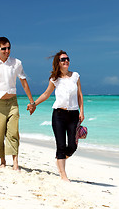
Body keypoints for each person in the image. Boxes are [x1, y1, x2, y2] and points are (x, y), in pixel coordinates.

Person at [0, 37, 36, 171]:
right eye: (4, 48)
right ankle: (3, 161)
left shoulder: (17, 63)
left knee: (13, 133)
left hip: (12, 103)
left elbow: (23, 82)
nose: (7, 51)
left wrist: (32, 102)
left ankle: (15, 163)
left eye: (9, 48)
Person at [28, 50, 84, 182]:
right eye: (63, 59)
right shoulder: (55, 79)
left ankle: (60, 159)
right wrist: (34, 104)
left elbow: (80, 95)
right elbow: (46, 94)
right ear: (58, 63)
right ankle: (63, 174)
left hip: (74, 115)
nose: (66, 61)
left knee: (72, 146)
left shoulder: (75, 76)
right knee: (61, 145)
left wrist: (82, 111)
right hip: (59, 115)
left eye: (67, 59)